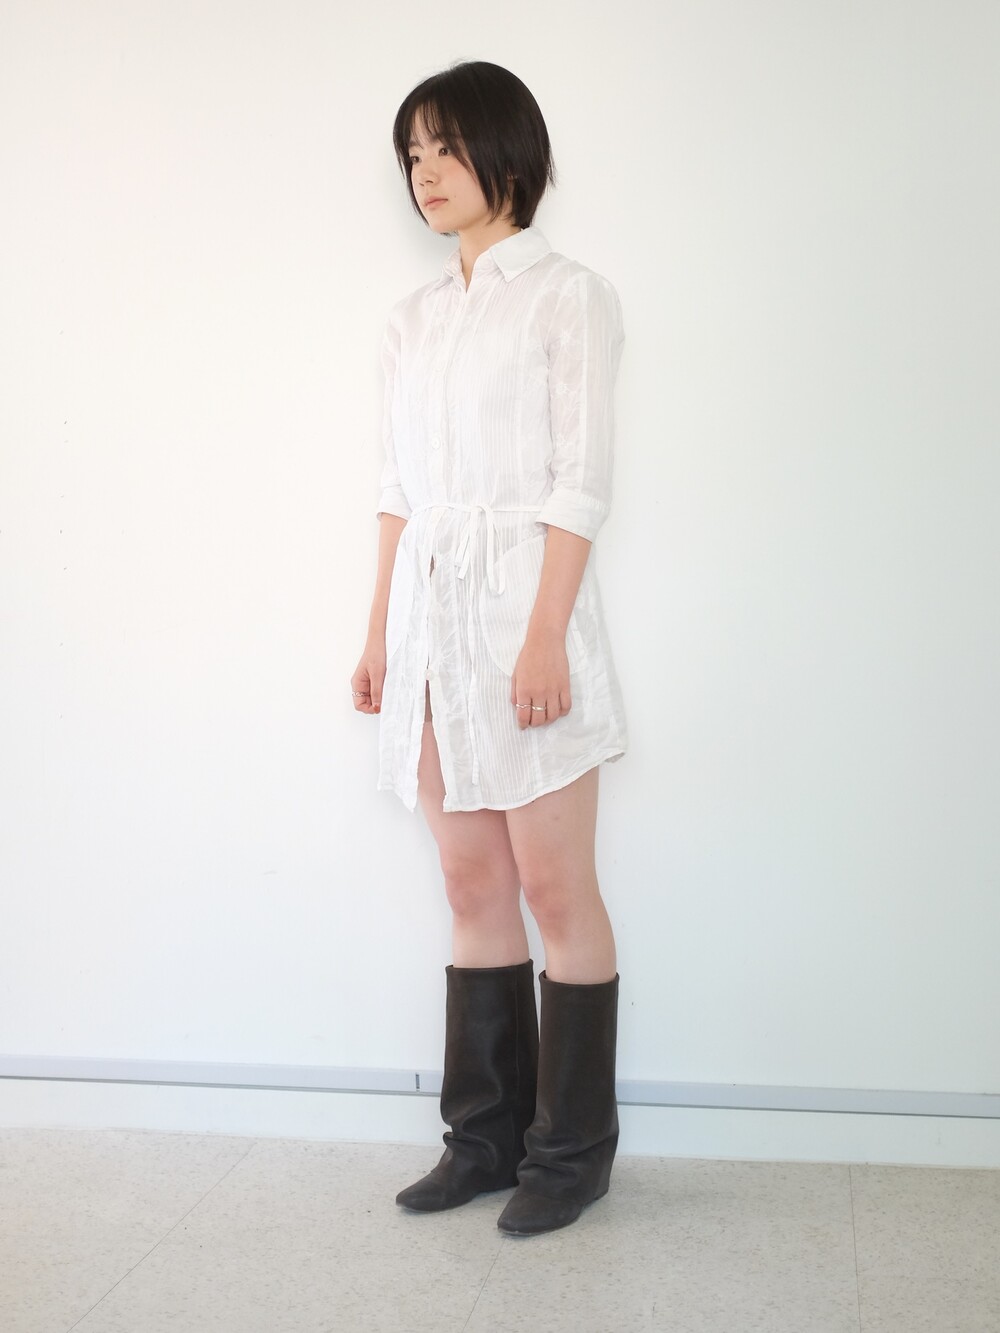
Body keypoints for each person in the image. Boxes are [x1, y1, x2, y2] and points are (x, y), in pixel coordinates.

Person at [351, 60, 627, 1237]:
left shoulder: (569, 295)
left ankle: (571, 1152)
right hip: (431, 630)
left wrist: (545, 635)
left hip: (526, 619)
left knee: (556, 887)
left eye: (445, 147)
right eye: (411, 154)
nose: (425, 172)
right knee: (470, 884)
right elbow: (397, 491)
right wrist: (378, 632)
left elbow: (580, 483)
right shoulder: (409, 320)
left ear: (506, 148)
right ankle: (483, 1139)